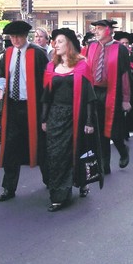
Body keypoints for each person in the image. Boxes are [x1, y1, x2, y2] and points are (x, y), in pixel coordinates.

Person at [41, 28, 102, 212]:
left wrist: (90, 122)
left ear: (69, 44)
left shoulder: (82, 66)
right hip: (55, 118)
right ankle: (59, 193)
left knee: (75, 153)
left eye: (59, 41)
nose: (55, 45)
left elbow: (90, 97)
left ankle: (74, 188)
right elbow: (46, 96)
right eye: (54, 42)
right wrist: (44, 119)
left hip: (75, 117)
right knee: (56, 156)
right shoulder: (51, 67)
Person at [0, 20, 49, 201]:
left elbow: (47, 83)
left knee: (40, 146)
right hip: (13, 107)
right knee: (11, 148)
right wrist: (0, 88)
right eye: (12, 37)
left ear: (26, 36)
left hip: (34, 107)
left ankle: (50, 180)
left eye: (18, 36)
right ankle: (8, 188)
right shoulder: (7, 54)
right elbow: (1, 75)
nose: (15, 40)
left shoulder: (38, 54)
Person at [86, 20, 131, 175]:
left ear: (108, 31)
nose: (96, 32)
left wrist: (126, 99)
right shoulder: (91, 47)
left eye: (99, 29)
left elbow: (125, 75)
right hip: (94, 92)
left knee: (113, 130)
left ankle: (123, 150)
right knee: (99, 130)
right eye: (95, 29)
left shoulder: (120, 49)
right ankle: (105, 164)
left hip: (113, 93)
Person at [113, 31, 133, 139]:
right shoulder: (114, 55)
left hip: (132, 86)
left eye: (126, 43)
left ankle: (130, 128)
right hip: (119, 86)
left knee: (131, 108)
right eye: (122, 43)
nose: (125, 45)